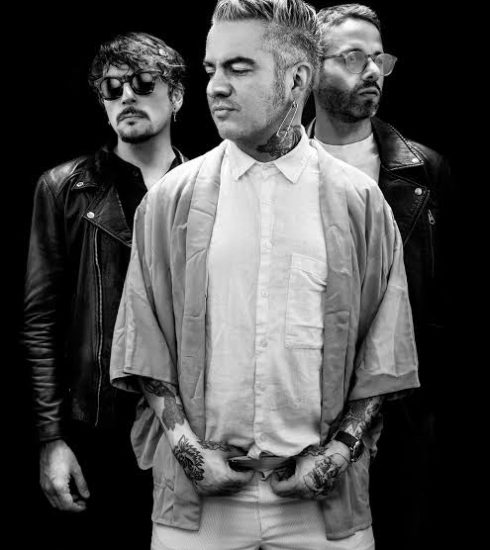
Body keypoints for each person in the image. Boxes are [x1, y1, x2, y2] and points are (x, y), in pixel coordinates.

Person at [110, 1, 419, 549]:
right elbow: (143, 339)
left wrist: (337, 455)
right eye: (211, 69)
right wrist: (188, 450)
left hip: (324, 505)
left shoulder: (360, 201)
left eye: (239, 68)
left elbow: (385, 347)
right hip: (198, 507)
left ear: (297, 78)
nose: (215, 87)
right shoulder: (169, 200)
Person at [23, 31, 186, 550]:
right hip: (98, 429)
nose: (127, 96)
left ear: (177, 95)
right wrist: (51, 438)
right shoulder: (64, 187)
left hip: (194, 428)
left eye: (143, 83)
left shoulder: (211, 185)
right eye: (112, 88)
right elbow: (41, 320)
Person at [308, 4, 450, 549]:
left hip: (403, 415)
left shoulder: (423, 171)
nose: (372, 72)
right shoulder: (275, 170)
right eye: (352, 58)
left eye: (378, 59)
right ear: (308, 69)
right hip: (305, 413)